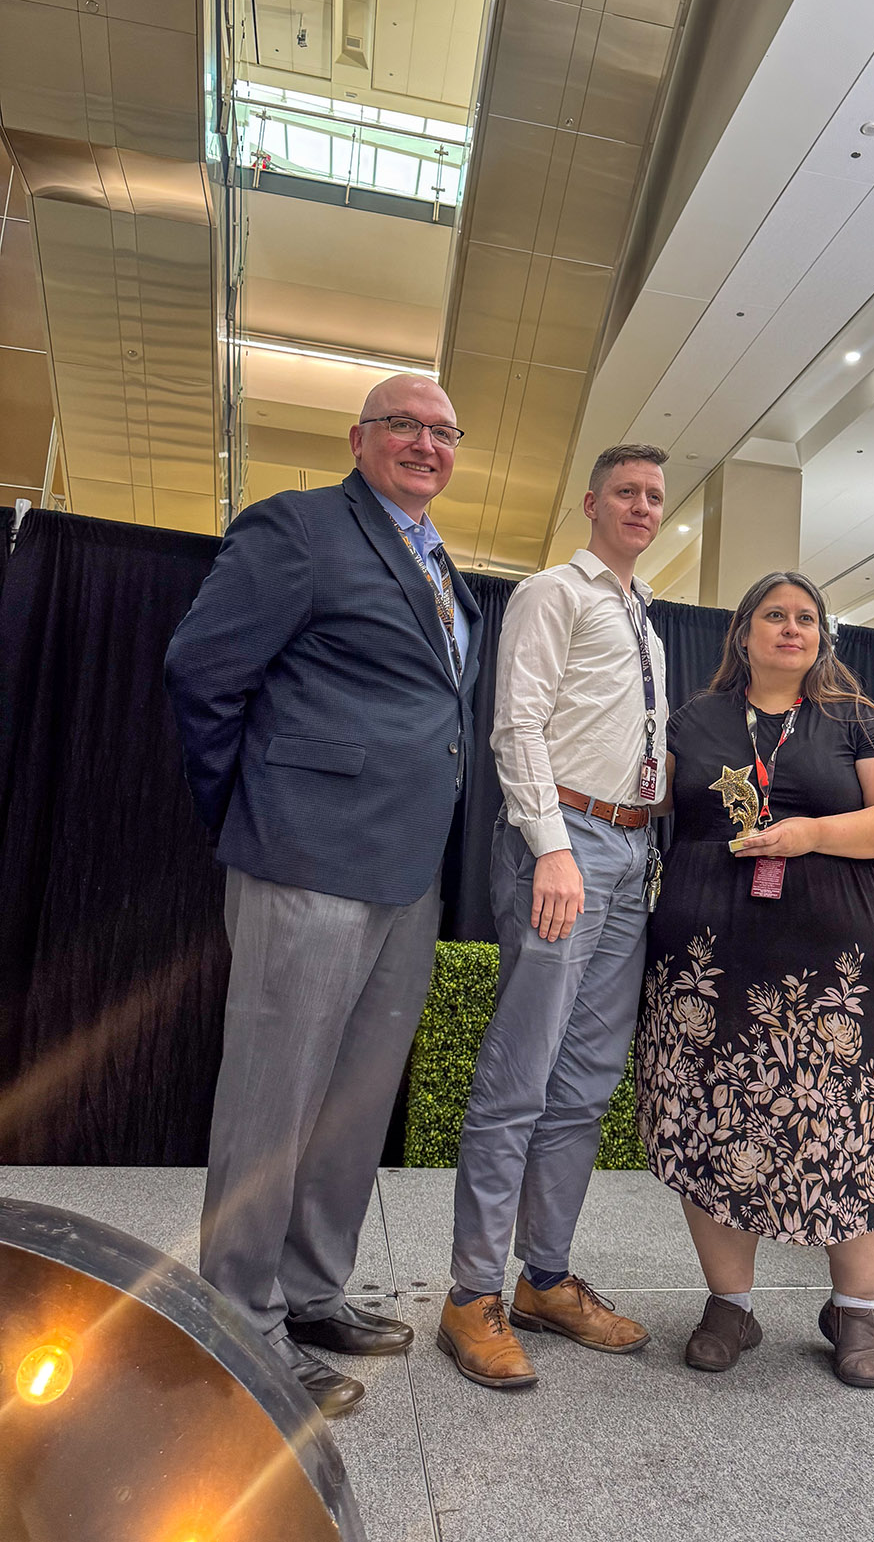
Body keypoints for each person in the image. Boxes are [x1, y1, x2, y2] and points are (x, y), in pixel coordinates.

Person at [165, 373, 480, 1418]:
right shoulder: (299, 528)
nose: (425, 444)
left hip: (406, 872)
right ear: (358, 438)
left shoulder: (440, 564)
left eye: (443, 431)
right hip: (303, 856)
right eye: (404, 425)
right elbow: (202, 670)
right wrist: (255, 810)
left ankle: (309, 1293)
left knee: (353, 1103)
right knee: (273, 1099)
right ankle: (237, 1321)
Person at [636, 571, 874, 1387]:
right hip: (709, 971)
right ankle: (729, 1305)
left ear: (821, 636)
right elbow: (642, 800)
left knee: (860, 1130)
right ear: (743, 632)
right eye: (774, 615)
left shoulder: (856, 720)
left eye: (806, 617)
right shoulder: (693, 721)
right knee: (715, 1126)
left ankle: (855, 1312)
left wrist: (809, 835)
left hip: (848, 974)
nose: (791, 628)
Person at [439, 444, 669, 1389]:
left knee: (583, 1086)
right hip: (565, 840)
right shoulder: (553, 593)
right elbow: (516, 725)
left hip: (632, 850)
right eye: (626, 492)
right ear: (590, 503)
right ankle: (470, 1297)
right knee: (520, 1077)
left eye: (654, 496)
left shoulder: (645, 618)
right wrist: (551, 847)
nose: (642, 506)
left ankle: (544, 1280)